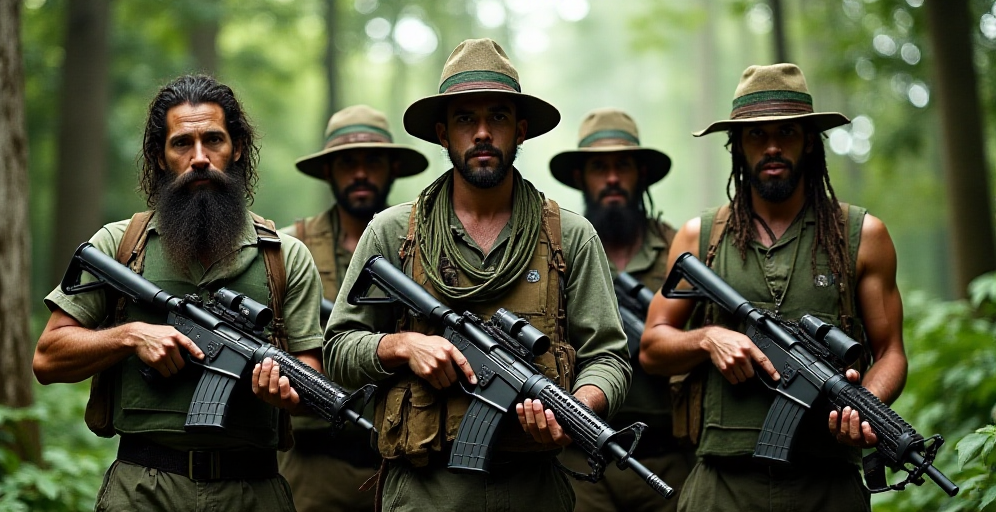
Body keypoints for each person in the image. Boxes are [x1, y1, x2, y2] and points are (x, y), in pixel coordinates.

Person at [323, 39, 632, 512]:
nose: (483, 133)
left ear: (521, 131)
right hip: (425, 491)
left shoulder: (569, 236)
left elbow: (609, 358)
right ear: (444, 134)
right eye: (467, 119)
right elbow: (339, 348)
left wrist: (579, 409)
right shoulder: (393, 232)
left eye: (498, 118)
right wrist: (403, 346)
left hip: (535, 490)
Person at [32, 75, 324, 512]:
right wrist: (130, 336)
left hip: (253, 490)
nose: (200, 158)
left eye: (214, 140)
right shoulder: (119, 246)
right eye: (182, 143)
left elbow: (309, 373)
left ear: (238, 148)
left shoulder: (284, 258)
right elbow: (48, 358)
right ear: (159, 156)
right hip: (142, 489)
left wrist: (282, 391)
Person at [639, 63, 907, 512]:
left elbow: (892, 351)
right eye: (757, 135)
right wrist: (709, 338)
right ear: (737, 146)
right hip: (722, 485)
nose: (773, 147)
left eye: (787, 132)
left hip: (828, 483)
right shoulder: (700, 237)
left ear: (809, 141)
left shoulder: (861, 235)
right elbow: (651, 347)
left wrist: (866, 404)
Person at [277, 104, 428, 512]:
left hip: (405, 462)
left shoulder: (425, 250)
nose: (360, 173)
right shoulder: (287, 250)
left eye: (373, 160)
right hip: (313, 466)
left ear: (393, 168)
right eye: (347, 162)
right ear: (328, 171)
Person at [549, 107, 692, 512]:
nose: (612, 178)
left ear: (641, 173)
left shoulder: (679, 255)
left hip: (667, 457)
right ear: (580, 177)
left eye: (623, 165)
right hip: (579, 459)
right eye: (599, 167)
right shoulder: (557, 256)